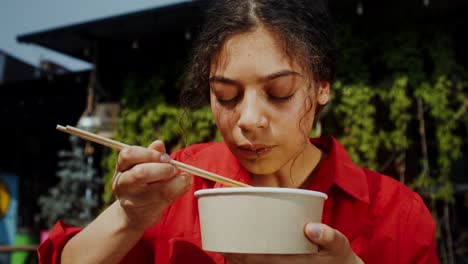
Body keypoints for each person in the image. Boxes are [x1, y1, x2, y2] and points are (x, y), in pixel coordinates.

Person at [38, 0, 439, 263]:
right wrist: (130, 217)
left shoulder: (395, 213)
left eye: (279, 93)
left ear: (322, 87)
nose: (248, 119)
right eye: (226, 96)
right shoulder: (180, 182)